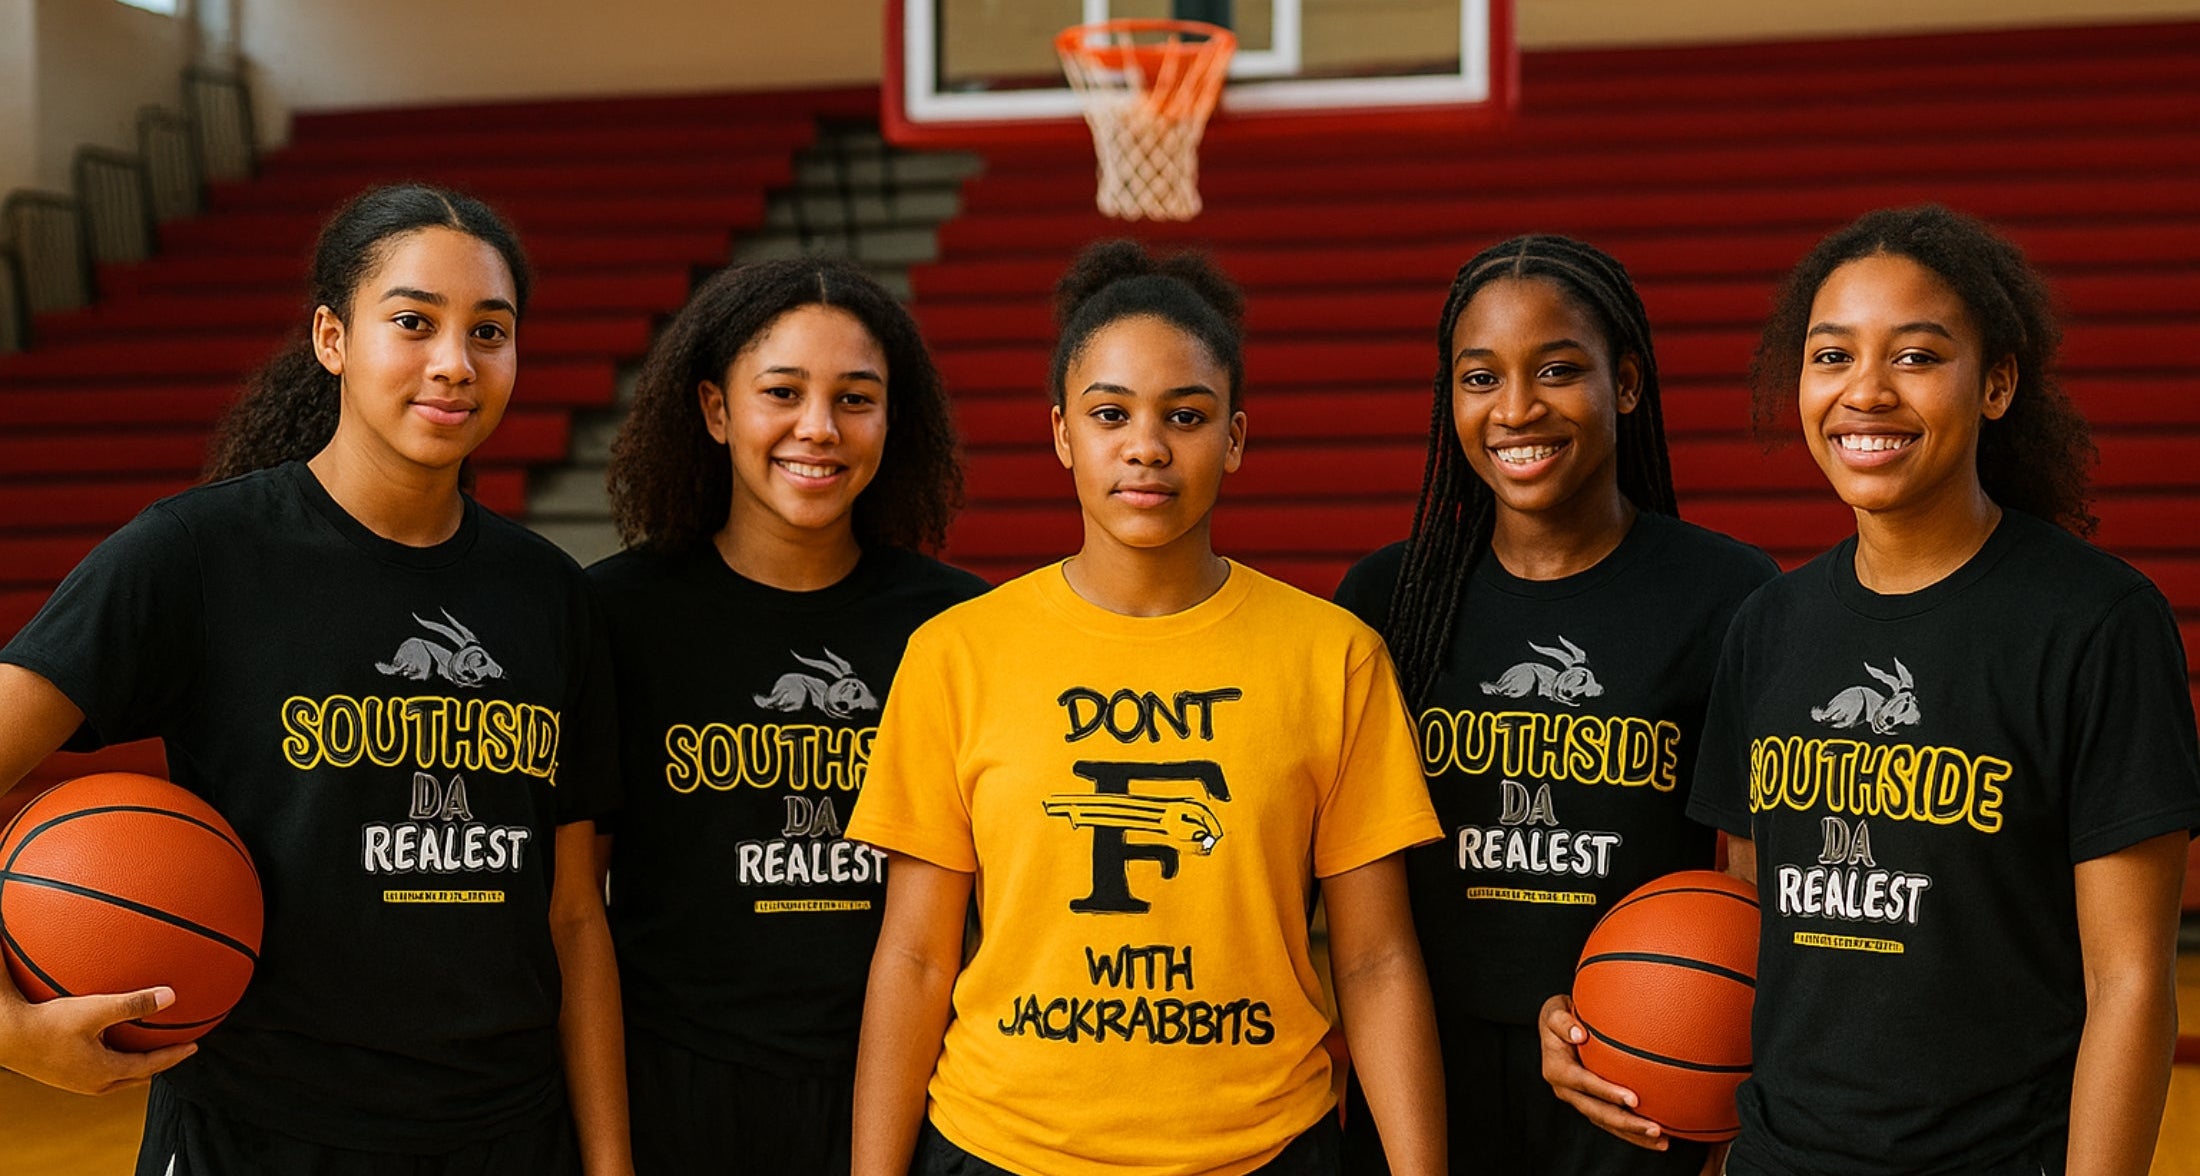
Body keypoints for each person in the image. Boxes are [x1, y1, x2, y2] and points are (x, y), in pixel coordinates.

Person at [0, 184, 630, 1176]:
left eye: (490, 331)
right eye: (414, 322)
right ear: (332, 338)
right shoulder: (196, 557)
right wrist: (4, 1029)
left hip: (507, 1135)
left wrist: (608, 1163)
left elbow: (574, 917)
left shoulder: (548, 593)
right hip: (258, 1135)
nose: (454, 364)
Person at [845, 239, 1449, 1176]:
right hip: (1001, 1148)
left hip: (1259, 1147)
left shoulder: (1331, 657)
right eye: (1110, 413)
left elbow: (1375, 962)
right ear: (1061, 435)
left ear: (1236, 438)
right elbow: (917, 958)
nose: (1147, 446)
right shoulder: (957, 654)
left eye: (1187, 415)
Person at [1667, 204, 2196, 1175]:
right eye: (1830, 358)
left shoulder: (2096, 623)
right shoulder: (1768, 629)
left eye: (1913, 357)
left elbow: (2128, 980)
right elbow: (1741, 932)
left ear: (1995, 383)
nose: (1863, 392)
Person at [1333, 235, 1777, 1175]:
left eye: (1559, 370)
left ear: (1626, 385)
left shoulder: (1727, 594)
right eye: (1480, 376)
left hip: (1633, 1083)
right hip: (1423, 1085)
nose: (1516, 408)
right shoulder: (1384, 602)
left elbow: (1751, 885)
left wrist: (1702, 1076)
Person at [586, 257, 986, 1175]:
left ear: (893, 420)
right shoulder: (614, 617)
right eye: (782, 392)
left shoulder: (957, 627)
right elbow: (576, 914)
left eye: (856, 398)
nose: (819, 428)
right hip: (675, 1089)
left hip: (905, 1084)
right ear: (717, 411)